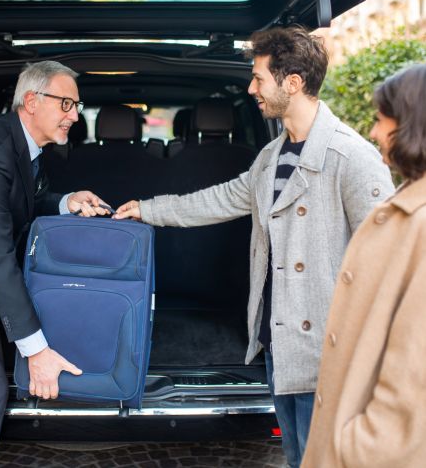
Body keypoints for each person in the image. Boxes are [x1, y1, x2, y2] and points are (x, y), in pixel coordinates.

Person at [114, 26, 395, 467]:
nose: (251, 88)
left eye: (258, 78)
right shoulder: (271, 156)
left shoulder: (351, 158)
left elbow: (389, 263)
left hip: (330, 353)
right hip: (278, 342)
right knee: (296, 456)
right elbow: (220, 199)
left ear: (292, 82)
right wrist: (148, 209)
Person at [0, 60, 111, 468]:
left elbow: (19, 203)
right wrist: (37, 350)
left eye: (76, 106)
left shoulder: (22, 146)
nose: (75, 116)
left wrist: (65, 201)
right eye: (66, 104)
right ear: (31, 101)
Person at [301, 64, 426, 467]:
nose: (373, 132)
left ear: (412, 125)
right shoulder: (406, 205)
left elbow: (415, 372)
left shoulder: (420, 223)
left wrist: (358, 447)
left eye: (381, 120)